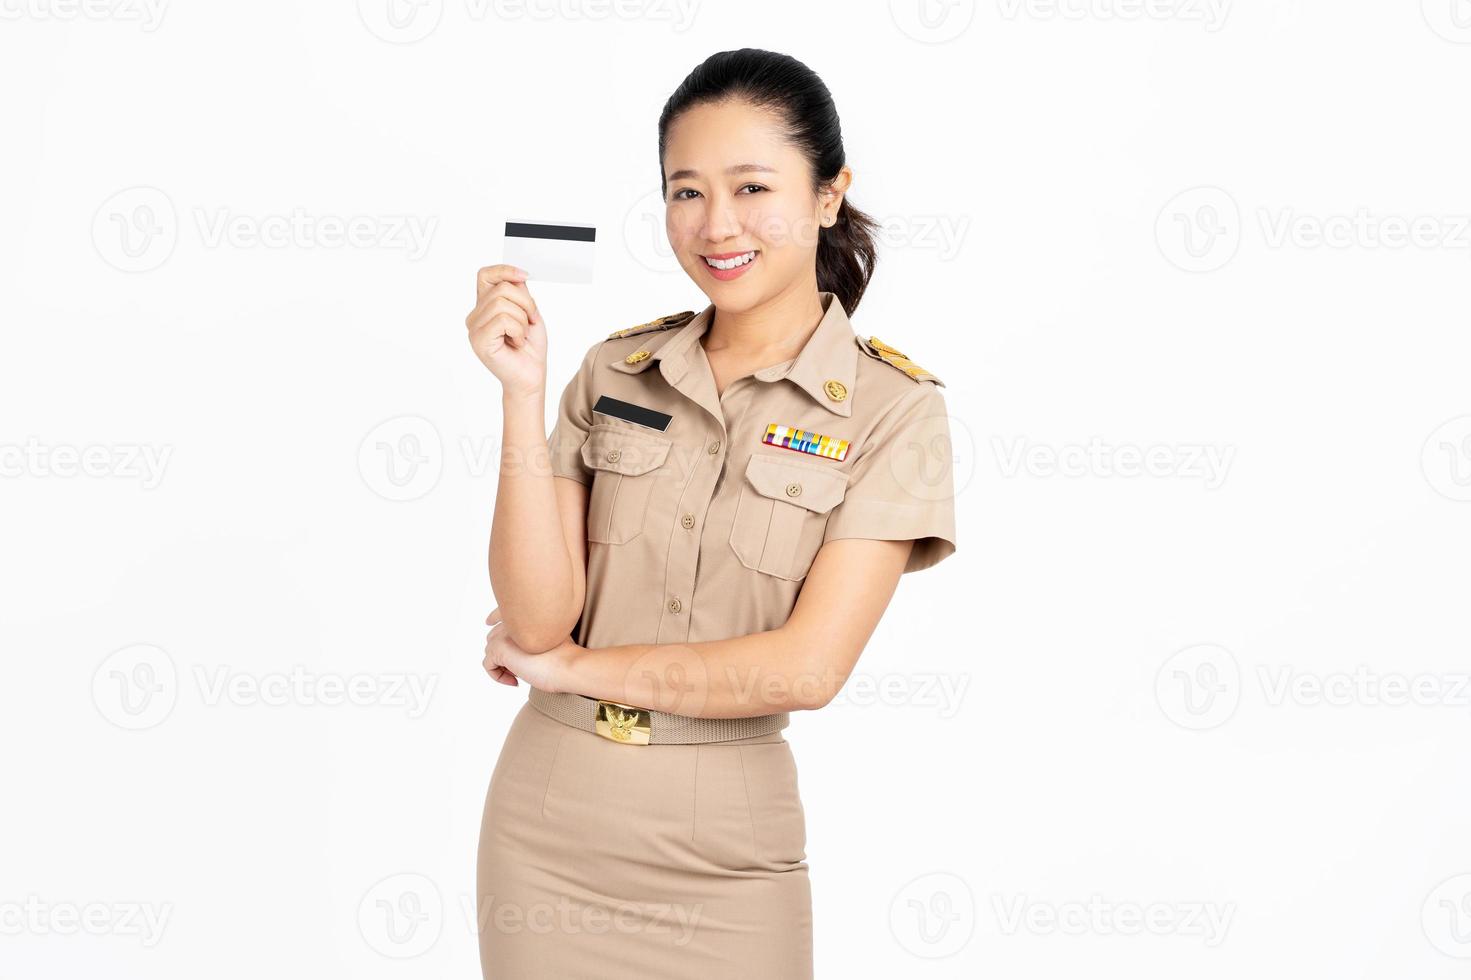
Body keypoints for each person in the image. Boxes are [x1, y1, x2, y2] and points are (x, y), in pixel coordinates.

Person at [464, 47, 958, 980]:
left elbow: (806, 669)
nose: (716, 224)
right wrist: (518, 393)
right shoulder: (612, 371)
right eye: (685, 191)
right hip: (546, 825)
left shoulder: (894, 410)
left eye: (751, 187)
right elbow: (532, 621)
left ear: (827, 193)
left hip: (727, 856)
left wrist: (573, 667)